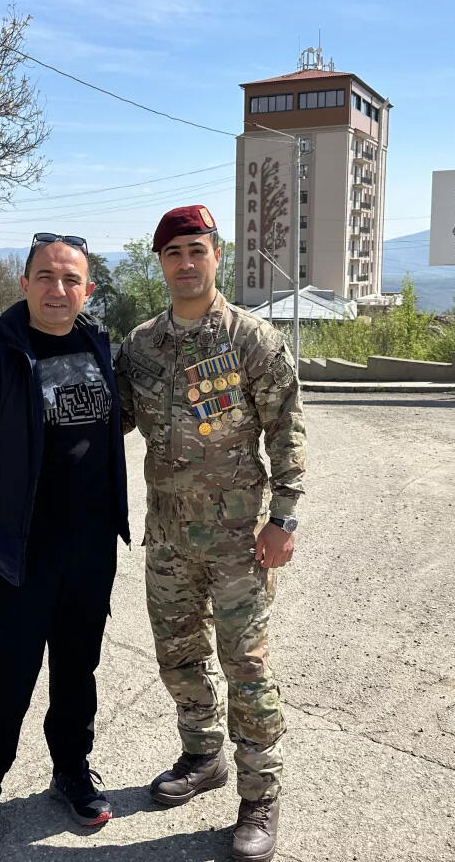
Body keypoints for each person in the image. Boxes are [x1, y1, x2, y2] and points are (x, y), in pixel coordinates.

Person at [115, 205, 306, 862]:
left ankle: (260, 794)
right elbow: (109, 418)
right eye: (174, 253)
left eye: (197, 250)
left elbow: (287, 429)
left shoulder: (253, 341)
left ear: (216, 256)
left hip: (238, 540)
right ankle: (203, 757)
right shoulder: (140, 347)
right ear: (161, 263)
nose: (186, 264)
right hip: (168, 536)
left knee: (246, 666)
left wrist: (284, 517)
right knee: (177, 656)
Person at [0, 232, 130, 847]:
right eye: (46, 276)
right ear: (24, 284)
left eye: (71, 279)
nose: (58, 289)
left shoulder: (97, 342)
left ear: (87, 290)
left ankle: (71, 769)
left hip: (89, 548)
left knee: (78, 670)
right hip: (15, 550)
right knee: (5, 676)